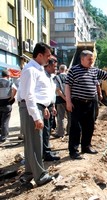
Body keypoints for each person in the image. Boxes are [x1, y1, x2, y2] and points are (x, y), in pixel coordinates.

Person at [65, 50, 107, 159]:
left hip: (90, 103)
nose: (91, 62)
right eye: (89, 60)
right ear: (82, 59)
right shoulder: (73, 70)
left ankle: (86, 146)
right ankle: (73, 151)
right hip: (77, 103)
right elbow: (67, 86)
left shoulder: (94, 70)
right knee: (76, 127)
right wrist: (68, 101)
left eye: (92, 60)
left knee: (89, 125)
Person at [17, 42, 59, 186]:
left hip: (37, 107)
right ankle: (40, 176)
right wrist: (36, 116)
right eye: (47, 55)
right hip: (31, 108)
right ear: (39, 55)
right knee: (35, 143)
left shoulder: (38, 68)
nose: (49, 58)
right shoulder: (30, 70)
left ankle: (29, 172)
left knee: (32, 143)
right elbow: (28, 95)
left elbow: (38, 93)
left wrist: (45, 106)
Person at [42, 56, 60, 161]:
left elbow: (51, 93)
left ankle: (47, 150)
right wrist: (45, 107)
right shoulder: (42, 76)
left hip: (49, 106)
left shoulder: (50, 77)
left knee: (47, 130)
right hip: (44, 107)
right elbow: (42, 94)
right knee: (45, 130)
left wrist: (53, 106)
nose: (56, 69)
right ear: (48, 66)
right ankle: (46, 153)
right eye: (54, 67)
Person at [53, 64, 71, 138]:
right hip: (70, 99)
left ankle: (60, 133)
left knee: (60, 117)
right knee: (70, 116)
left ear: (60, 70)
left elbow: (58, 90)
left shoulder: (56, 77)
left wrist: (64, 98)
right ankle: (69, 131)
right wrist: (67, 99)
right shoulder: (69, 77)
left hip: (60, 99)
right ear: (66, 70)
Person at [0, 70, 17, 142]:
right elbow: (15, 89)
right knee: (5, 121)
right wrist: (12, 97)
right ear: (8, 76)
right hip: (7, 103)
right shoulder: (10, 82)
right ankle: (3, 137)